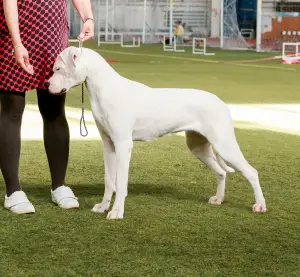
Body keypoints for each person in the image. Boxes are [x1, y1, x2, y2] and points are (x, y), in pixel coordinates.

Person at [0, 0, 94, 214]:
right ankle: (13, 191)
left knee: (54, 110)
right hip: (14, 32)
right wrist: (17, 43)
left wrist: (87, 17)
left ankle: (59, 185)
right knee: (12, 109)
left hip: (53, 34)